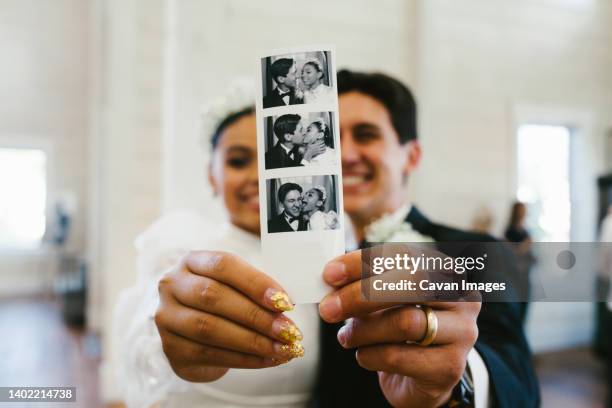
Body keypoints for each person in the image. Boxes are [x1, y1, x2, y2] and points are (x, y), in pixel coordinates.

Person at [117, 71, 539, 408]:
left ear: (411, 155)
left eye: (366, 135)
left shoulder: (476, 251)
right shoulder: (303, 261)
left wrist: (455, 383)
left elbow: (517, 379)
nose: (345, 154)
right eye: (330, 138)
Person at [504, 201, 535, 322]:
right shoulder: (509, 232)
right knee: (514, 313)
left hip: (525, 279)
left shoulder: (526, 233)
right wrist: (524, 246)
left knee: (524, 312)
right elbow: (509, 254)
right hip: (514, 279)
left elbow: (530, 256)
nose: (524, 213)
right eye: (521, 210)